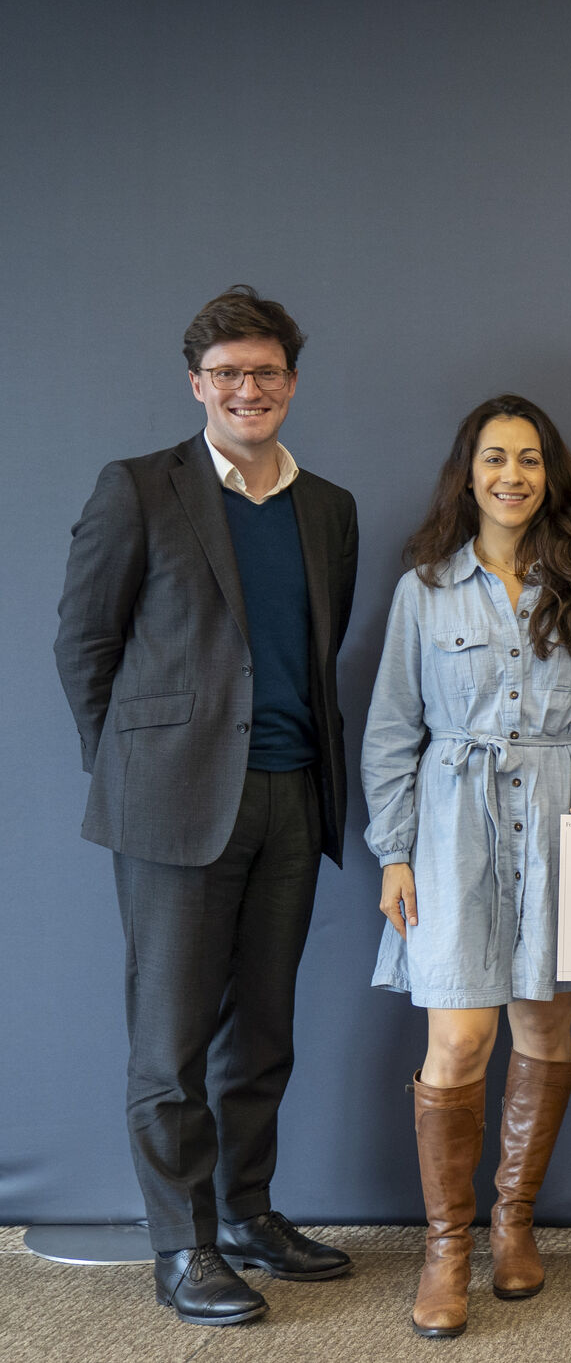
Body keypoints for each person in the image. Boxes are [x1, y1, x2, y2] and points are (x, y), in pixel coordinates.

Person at [54, 286, 358, 1325]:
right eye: (227, 373)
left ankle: (247, 1215)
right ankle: (181, 1248)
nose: (247, 389)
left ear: (291, 383)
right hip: (173, 810)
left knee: (261, 1031)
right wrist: (133, 775)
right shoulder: (139, 488)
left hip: (290, 797)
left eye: (265, 371)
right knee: (171, 1042)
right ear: (197, 385)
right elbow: (84, 647)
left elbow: (318, 656)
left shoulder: (328, 508)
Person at [361, 394, 571, 1338]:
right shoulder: (425, 588)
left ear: (550, 473)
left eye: (529, 459)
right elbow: (392, 732)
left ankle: (513, 1222)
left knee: (544, 1022)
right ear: (468, 470)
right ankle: (447, 1245)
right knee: (460, 1040)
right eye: (495, 458)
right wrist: (393, 852)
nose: (512, 476)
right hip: (451, 826)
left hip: (560, 821)